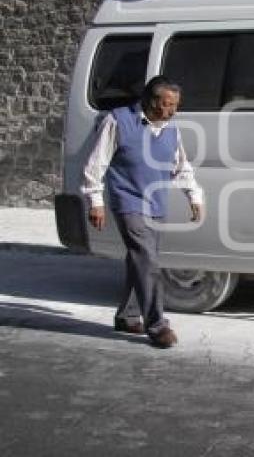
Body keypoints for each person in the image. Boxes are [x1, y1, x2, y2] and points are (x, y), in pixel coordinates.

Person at [82, 76, 203, 348]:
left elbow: (181, 166)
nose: (171, 111)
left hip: (156, 203)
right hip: (128, 201)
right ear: (150, 100)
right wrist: (95, 201)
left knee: (139, 261)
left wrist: (193, 196)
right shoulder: (119, 120)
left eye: (175, 106)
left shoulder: (171, 130)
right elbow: (96, 163)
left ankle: (127, 315)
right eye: (167, 104)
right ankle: (157, 325)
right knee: (147, 260)